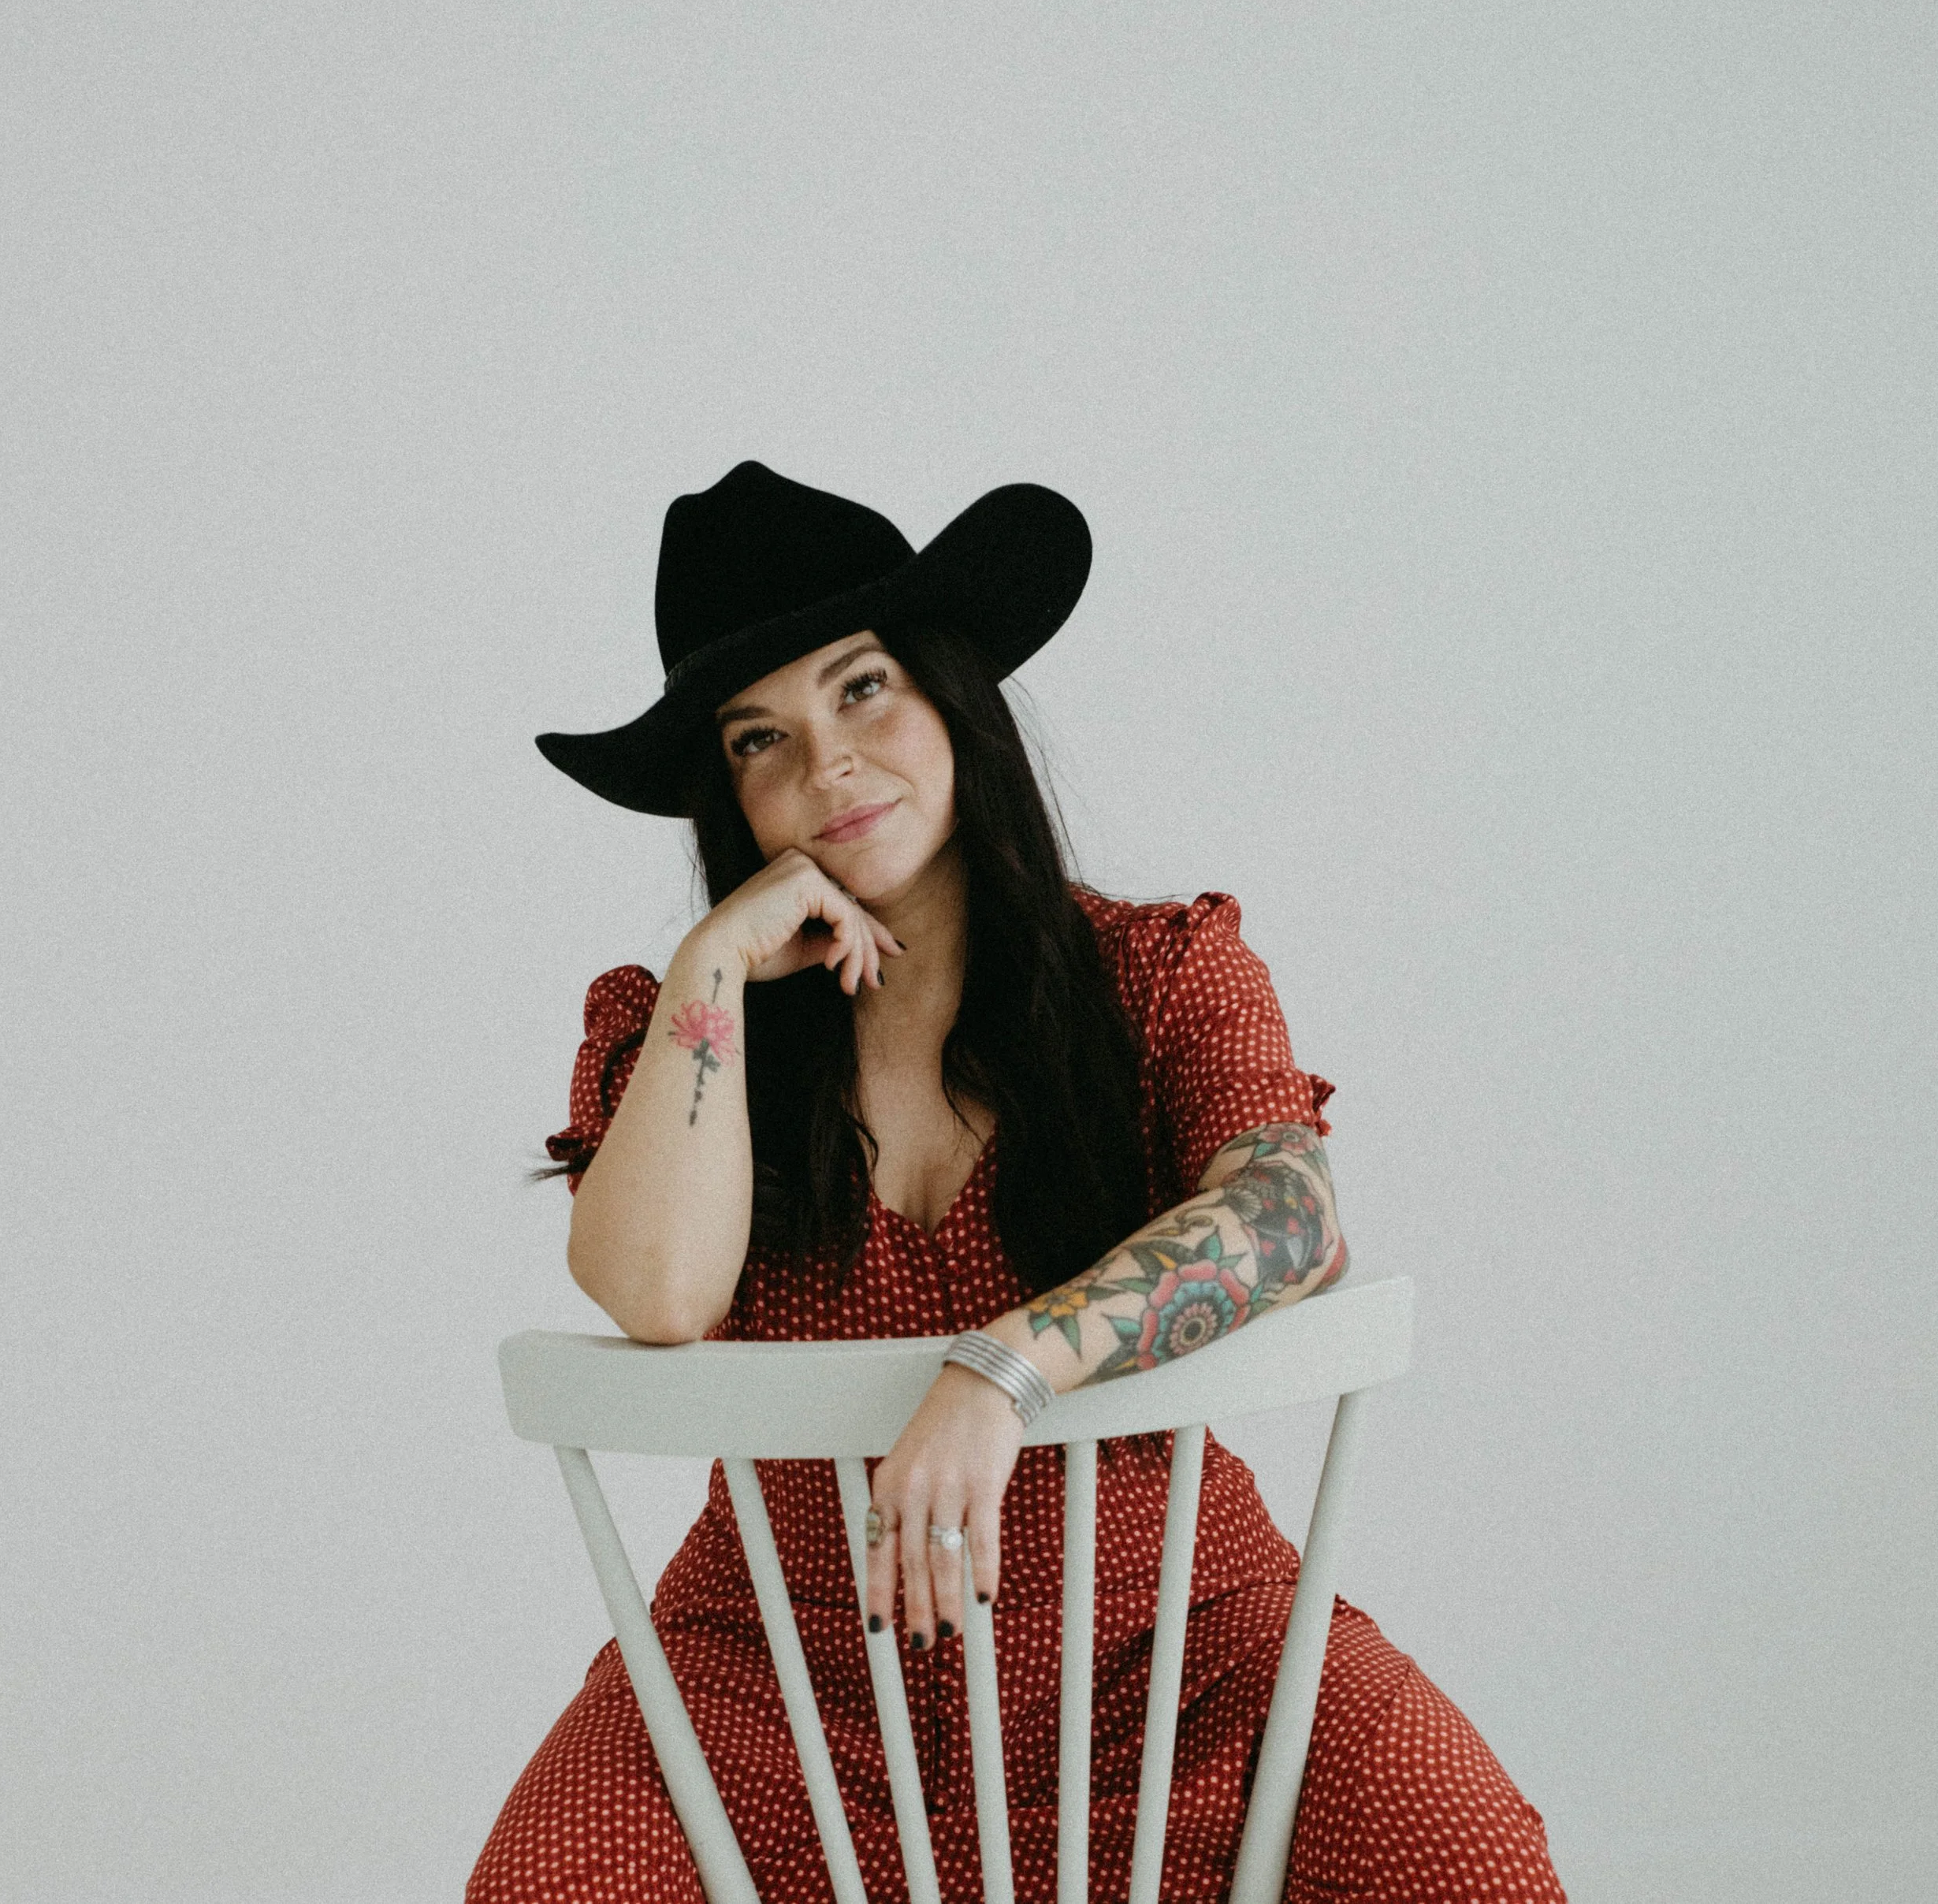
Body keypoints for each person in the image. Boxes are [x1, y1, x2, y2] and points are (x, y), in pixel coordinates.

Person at [468, 462, 1564, 1903]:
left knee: (1469, 1860)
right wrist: (714, 962)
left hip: (1168, 1659)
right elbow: (660, 1295)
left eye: (863, 688)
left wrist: (1006, 1370)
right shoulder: (679, 1027)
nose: (827, 765)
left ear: (952, 690)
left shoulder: (1159, 975)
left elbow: (1294, 1216)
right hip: (783, 1696)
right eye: (760, 739)